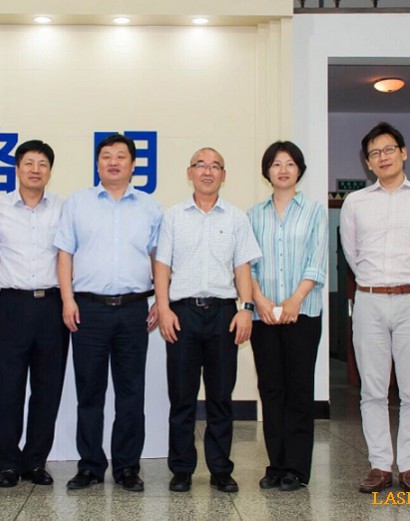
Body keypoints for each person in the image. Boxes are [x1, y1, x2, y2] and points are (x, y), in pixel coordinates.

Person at [340, 122, 410, 494]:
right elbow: (352, 254)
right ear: (367, 163)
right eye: (374, 153)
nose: (382, 157)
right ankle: (380, 465)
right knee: (372, 389)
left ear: (403, 152)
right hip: (369, 300)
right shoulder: (355, 203)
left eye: (388, 149)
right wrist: (376, 285)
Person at [54, 133, 161, 492]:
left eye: (120, 156)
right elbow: (64, 254)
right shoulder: (78, 203)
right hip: (88, 309)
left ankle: (127, 467)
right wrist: (67, 299)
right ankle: (90, 466)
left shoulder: (150, 207)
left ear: (133, 164)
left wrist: (161, 301)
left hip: (134, 310)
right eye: (106, 156)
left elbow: (159, 259)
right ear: (97, 164)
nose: (113, 162)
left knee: (131, 392)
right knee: (90, 392)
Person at [154, 147, 261, 493]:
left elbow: (242, 267)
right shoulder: (173, 217)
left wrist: (246, 308)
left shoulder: (236, 218)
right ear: (190, 173)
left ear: (223, 176)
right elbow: (161, 266)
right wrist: (163, 308)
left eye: (215, 166)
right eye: (201, 165)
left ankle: (220, 469)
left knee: (220, 397)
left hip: (223, 315)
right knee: (182, 397)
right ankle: (182, 468)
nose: (208, 171)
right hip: (182, 314)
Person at [247, 141, 327, 492]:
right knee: (271, 389)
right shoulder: (253, 215)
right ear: (267, 170)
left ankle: (296, 467)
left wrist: (295, 300)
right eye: (276, 163)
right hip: (263, 316)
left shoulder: (314, 212)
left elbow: (317, 261)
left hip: (303, 313)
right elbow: (246, 265)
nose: (283, 169)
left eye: (290, 163)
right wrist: (259, 300)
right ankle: (276, 465)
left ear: (299, 170)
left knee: (299, 390)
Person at [0, 140, 69, 488]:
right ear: (17, 169)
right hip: (12, 304)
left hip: (53, 304)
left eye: (42, 164)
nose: (36, 169)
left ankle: (35, 461)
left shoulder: (64, 208)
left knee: (47, 388)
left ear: (50, 171)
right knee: (9, 388)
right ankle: (8, 464)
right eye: (29, 163)